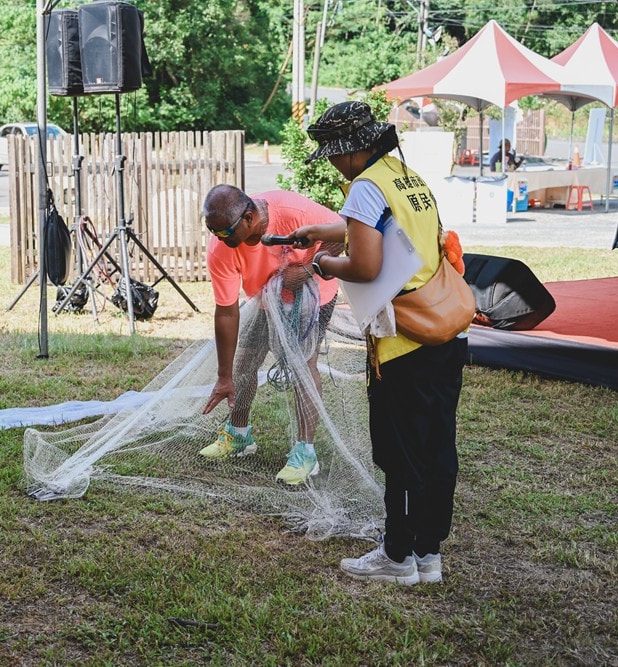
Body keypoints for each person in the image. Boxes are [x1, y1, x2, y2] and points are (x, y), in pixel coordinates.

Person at [292, 101, 468, 585]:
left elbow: (366, 266)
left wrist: (325, 264)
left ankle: (396, 557)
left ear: (353, 151)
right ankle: (428, 554)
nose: (330, 162)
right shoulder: (404, 176)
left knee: (400, 451)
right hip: (443, 332)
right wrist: (322, 231)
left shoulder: (365, 186)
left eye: (332, 153)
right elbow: (390, 231)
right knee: (435, 446)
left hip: (402, 342)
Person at [200, 185, 342, 485]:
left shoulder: (294, 212)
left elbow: (342, 232)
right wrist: (224, 376)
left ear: (250, 217)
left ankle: (305, 453)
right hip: (266, 299)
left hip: (313, 296)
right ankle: (239, 436)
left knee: (303, 365)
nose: (218, 240)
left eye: (224, 233)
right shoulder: (221, 249)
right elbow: (226, 312)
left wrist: (307, 268)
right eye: (212, 231)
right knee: (245, 362)